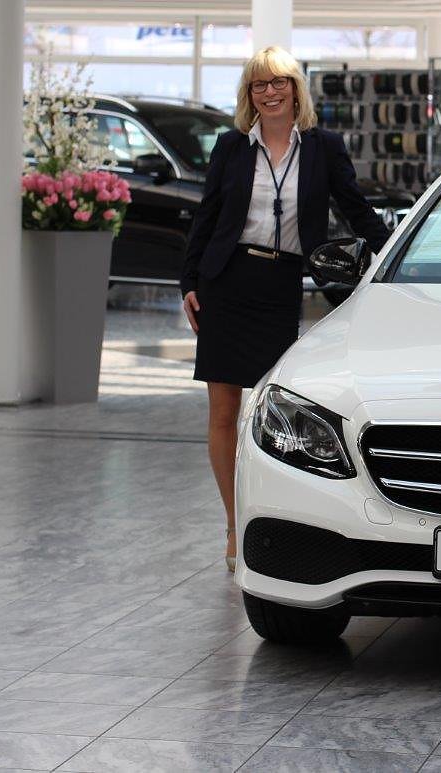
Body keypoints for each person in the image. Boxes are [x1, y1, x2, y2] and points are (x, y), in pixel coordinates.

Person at [180, 46, 390, 571]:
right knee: (223, 412)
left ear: (296, 89)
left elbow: (355, 208)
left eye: (279, 83)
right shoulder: (231, 146)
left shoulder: (322, 147)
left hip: (280, 284)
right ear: (249, 95)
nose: (270, 92)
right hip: (225, 281)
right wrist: (189, 282)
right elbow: (207, 217)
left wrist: (397, 253)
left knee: (271, 411)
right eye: (260, 84)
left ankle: (267, 515)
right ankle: (235, 525)